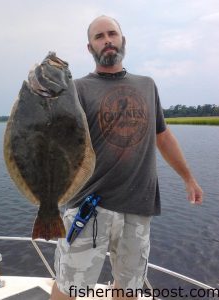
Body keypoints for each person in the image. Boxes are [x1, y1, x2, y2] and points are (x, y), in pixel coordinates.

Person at [50, 15, 203, 300]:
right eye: (99, 36)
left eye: (112, 34)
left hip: (138, 206)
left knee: (129, 290)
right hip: (89, 206)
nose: (107, 40)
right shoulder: (77, 89)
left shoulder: (147, 85)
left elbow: (163, 136)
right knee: (69, 288)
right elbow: (61, 143)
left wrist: (188, 179)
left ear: (123, 41)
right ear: (90, 47)